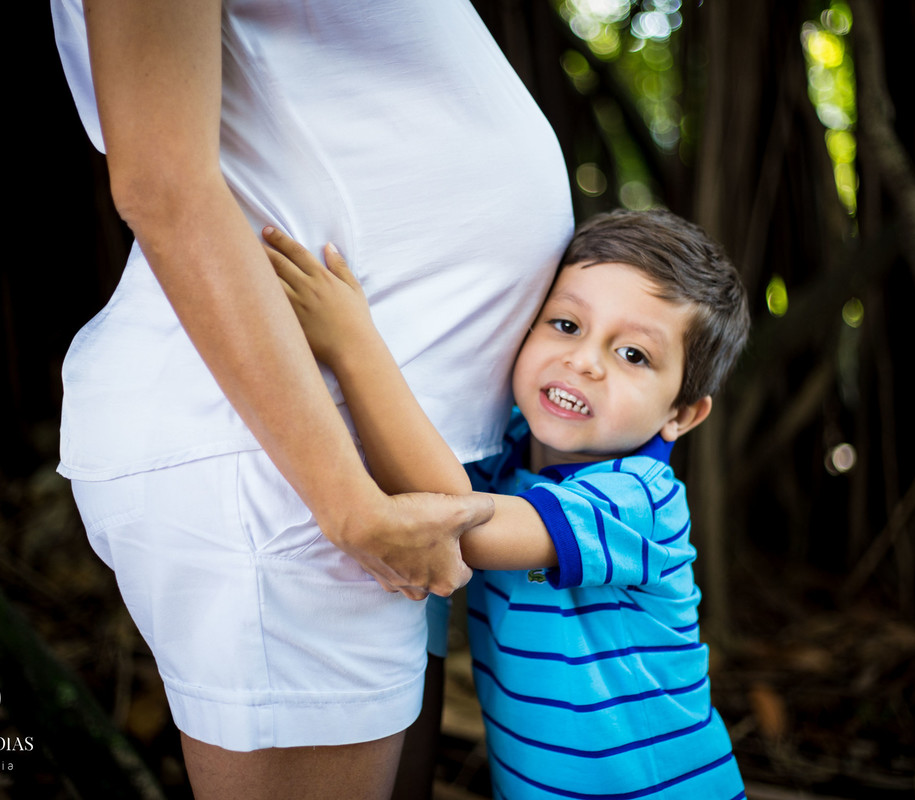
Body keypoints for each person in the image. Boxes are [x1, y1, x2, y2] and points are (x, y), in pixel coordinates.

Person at [50, 0, 572, 797]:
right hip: (290, 468)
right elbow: (161, 181)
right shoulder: (334, 498)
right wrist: (346, 504)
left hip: (374, 475)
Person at [262, 207, 750, 798]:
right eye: (567, 325)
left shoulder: (639, 500)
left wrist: (352, 344)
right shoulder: (508, 450)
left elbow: (462, 529)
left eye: (633, 355)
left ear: (682, 413)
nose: (585, 362)